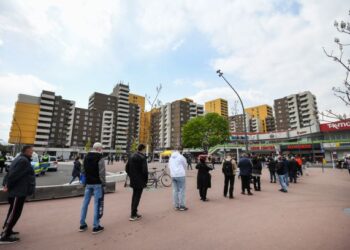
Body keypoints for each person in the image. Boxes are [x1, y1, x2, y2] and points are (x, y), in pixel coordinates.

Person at [1, 145, 36, 244]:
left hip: (18, 191)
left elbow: (10, 173)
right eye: (31, 150)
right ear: (27, 151)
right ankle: (4, 235)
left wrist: (6, 184)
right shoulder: (23, 161)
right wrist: (7, 185)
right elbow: (13, 175)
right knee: (14, 213)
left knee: (13, 212)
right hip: (18, 192)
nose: (32, 152)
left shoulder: (20, 159)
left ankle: (8, 229)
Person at [79, 142, 106, 234]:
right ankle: (96, 226)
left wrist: (85, 181)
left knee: (85, 203)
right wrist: (103, 183)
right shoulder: (100, 158)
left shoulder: (86, 157)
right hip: (97, 183)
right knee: (97, 204)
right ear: (98, 149)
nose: (102, 149)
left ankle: (82, 224)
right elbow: (102, 172)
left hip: (88, 183)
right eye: (101, 148)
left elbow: (82, 170)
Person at [125, 144, 148, 221]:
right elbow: (145, 171)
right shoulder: (142, 157)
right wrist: (145, 180)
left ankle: (133, 212)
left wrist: (131, 175)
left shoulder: (131, 156)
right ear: (143, 149)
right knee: (137, 197)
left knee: (134, 196)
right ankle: (133, 214)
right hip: (140, 180)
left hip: (133, 179)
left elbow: (126, 168)